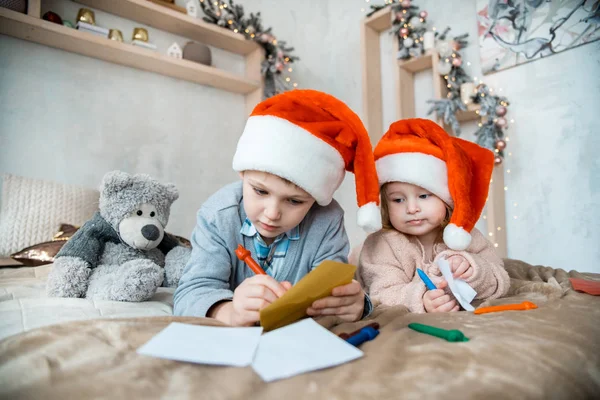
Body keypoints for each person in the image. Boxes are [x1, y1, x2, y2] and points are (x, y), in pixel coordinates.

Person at [174, 89, 382, 326]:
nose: (272, 213)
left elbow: (332, 294)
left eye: (294, 201)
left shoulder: (327, 220)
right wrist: (229, 312)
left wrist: (352, 306)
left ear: (316, 199)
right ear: (242, 172)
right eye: (260, 191)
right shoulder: (218, 215)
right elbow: (190, 293)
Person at [358, 118, 510, 313]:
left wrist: (474, 270)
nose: (411, 208)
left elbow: (501, 280)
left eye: (423, 196)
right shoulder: (382, 245)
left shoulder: (467, 237)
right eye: (398, 200)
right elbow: (381, 294)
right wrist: (421, 299)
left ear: (447, 199)